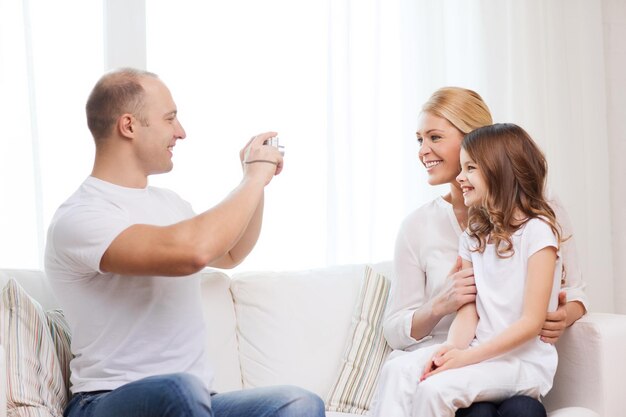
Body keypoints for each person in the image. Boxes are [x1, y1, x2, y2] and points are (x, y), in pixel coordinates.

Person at [44, 68, 325, 417]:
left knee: (299, 403)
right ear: (128, 126)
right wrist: (252, 180)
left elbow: (232, 251)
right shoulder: (81, 217)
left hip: (196, 402)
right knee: (180, 388)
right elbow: (192, 253)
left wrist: (255, 181)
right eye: (170, 119)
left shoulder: (170, 204)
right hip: (107, 400)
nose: (181, 132)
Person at [375, 87, 587, 417]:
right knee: (401, 371)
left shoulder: (540, 220)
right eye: (419, 139)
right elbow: (452, 317)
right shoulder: (462, 234)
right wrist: (441, 319)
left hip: (509, 360)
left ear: (486, 151)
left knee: (519, 411)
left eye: (434, 137)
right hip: (469, 353)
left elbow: (567, 296)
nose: (422, 151)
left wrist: (562, 316)